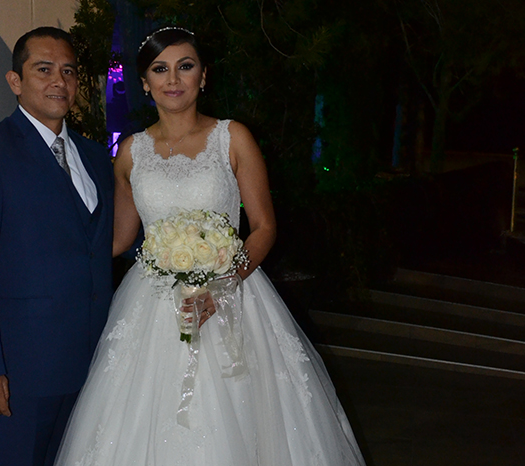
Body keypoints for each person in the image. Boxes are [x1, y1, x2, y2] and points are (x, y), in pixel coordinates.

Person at [54, 27, 366, 465]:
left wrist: (223, 286)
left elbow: (264, 227)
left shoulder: (232, 137)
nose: (173, 79)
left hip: (231, 296)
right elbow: (120, 238)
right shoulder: (131, 152)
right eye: (159, 69)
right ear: (144, 83)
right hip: (152, 305)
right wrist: (50, 246)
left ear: (203, 76)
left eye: (185, 66)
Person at [0, 27, 114, 466]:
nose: (59, 81)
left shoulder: (96, 158)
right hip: (19, 370)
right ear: (15, 81)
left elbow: (104, 245)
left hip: (91, 361)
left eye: (68, 71)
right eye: (44, 69)